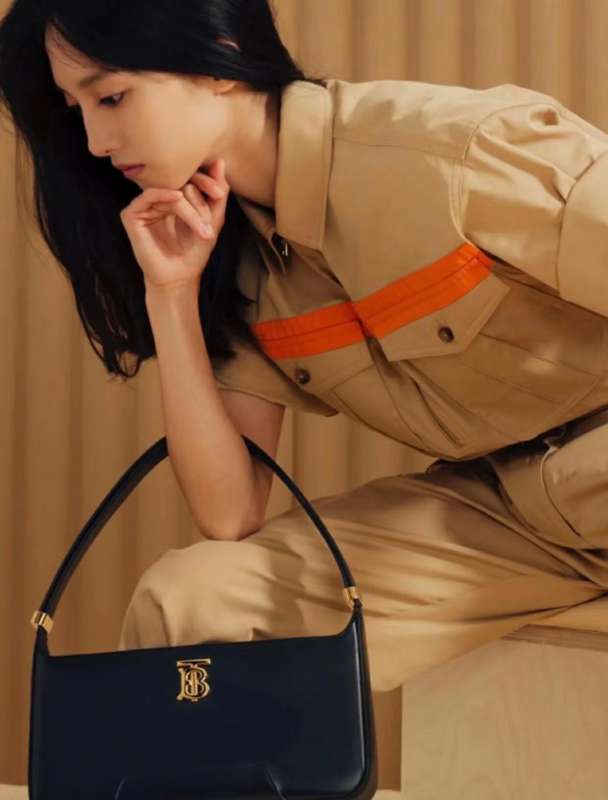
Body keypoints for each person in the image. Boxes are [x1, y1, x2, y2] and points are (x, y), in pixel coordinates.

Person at [2, 0, 608, 703]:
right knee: (195, 603)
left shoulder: (455, 155)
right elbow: (229, 512)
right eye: (75, 110)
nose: (96, 141)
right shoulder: (240, 259)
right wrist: (171, 295)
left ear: (221, 55)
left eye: (111, 97)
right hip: (516, 518)